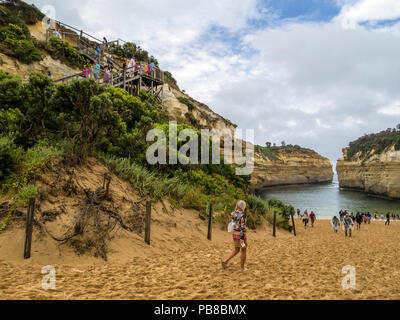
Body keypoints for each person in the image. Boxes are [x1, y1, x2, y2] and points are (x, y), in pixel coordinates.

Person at [222, 200, 248, 272]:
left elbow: (231, 223)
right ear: (243, 206)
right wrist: (242, 238)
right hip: (241, 236)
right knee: (243, 251)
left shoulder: (233, 213)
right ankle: (242, 268)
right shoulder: (243, 215)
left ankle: (225, 261)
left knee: (236, 249)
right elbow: (243, 227)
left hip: (234, 235)